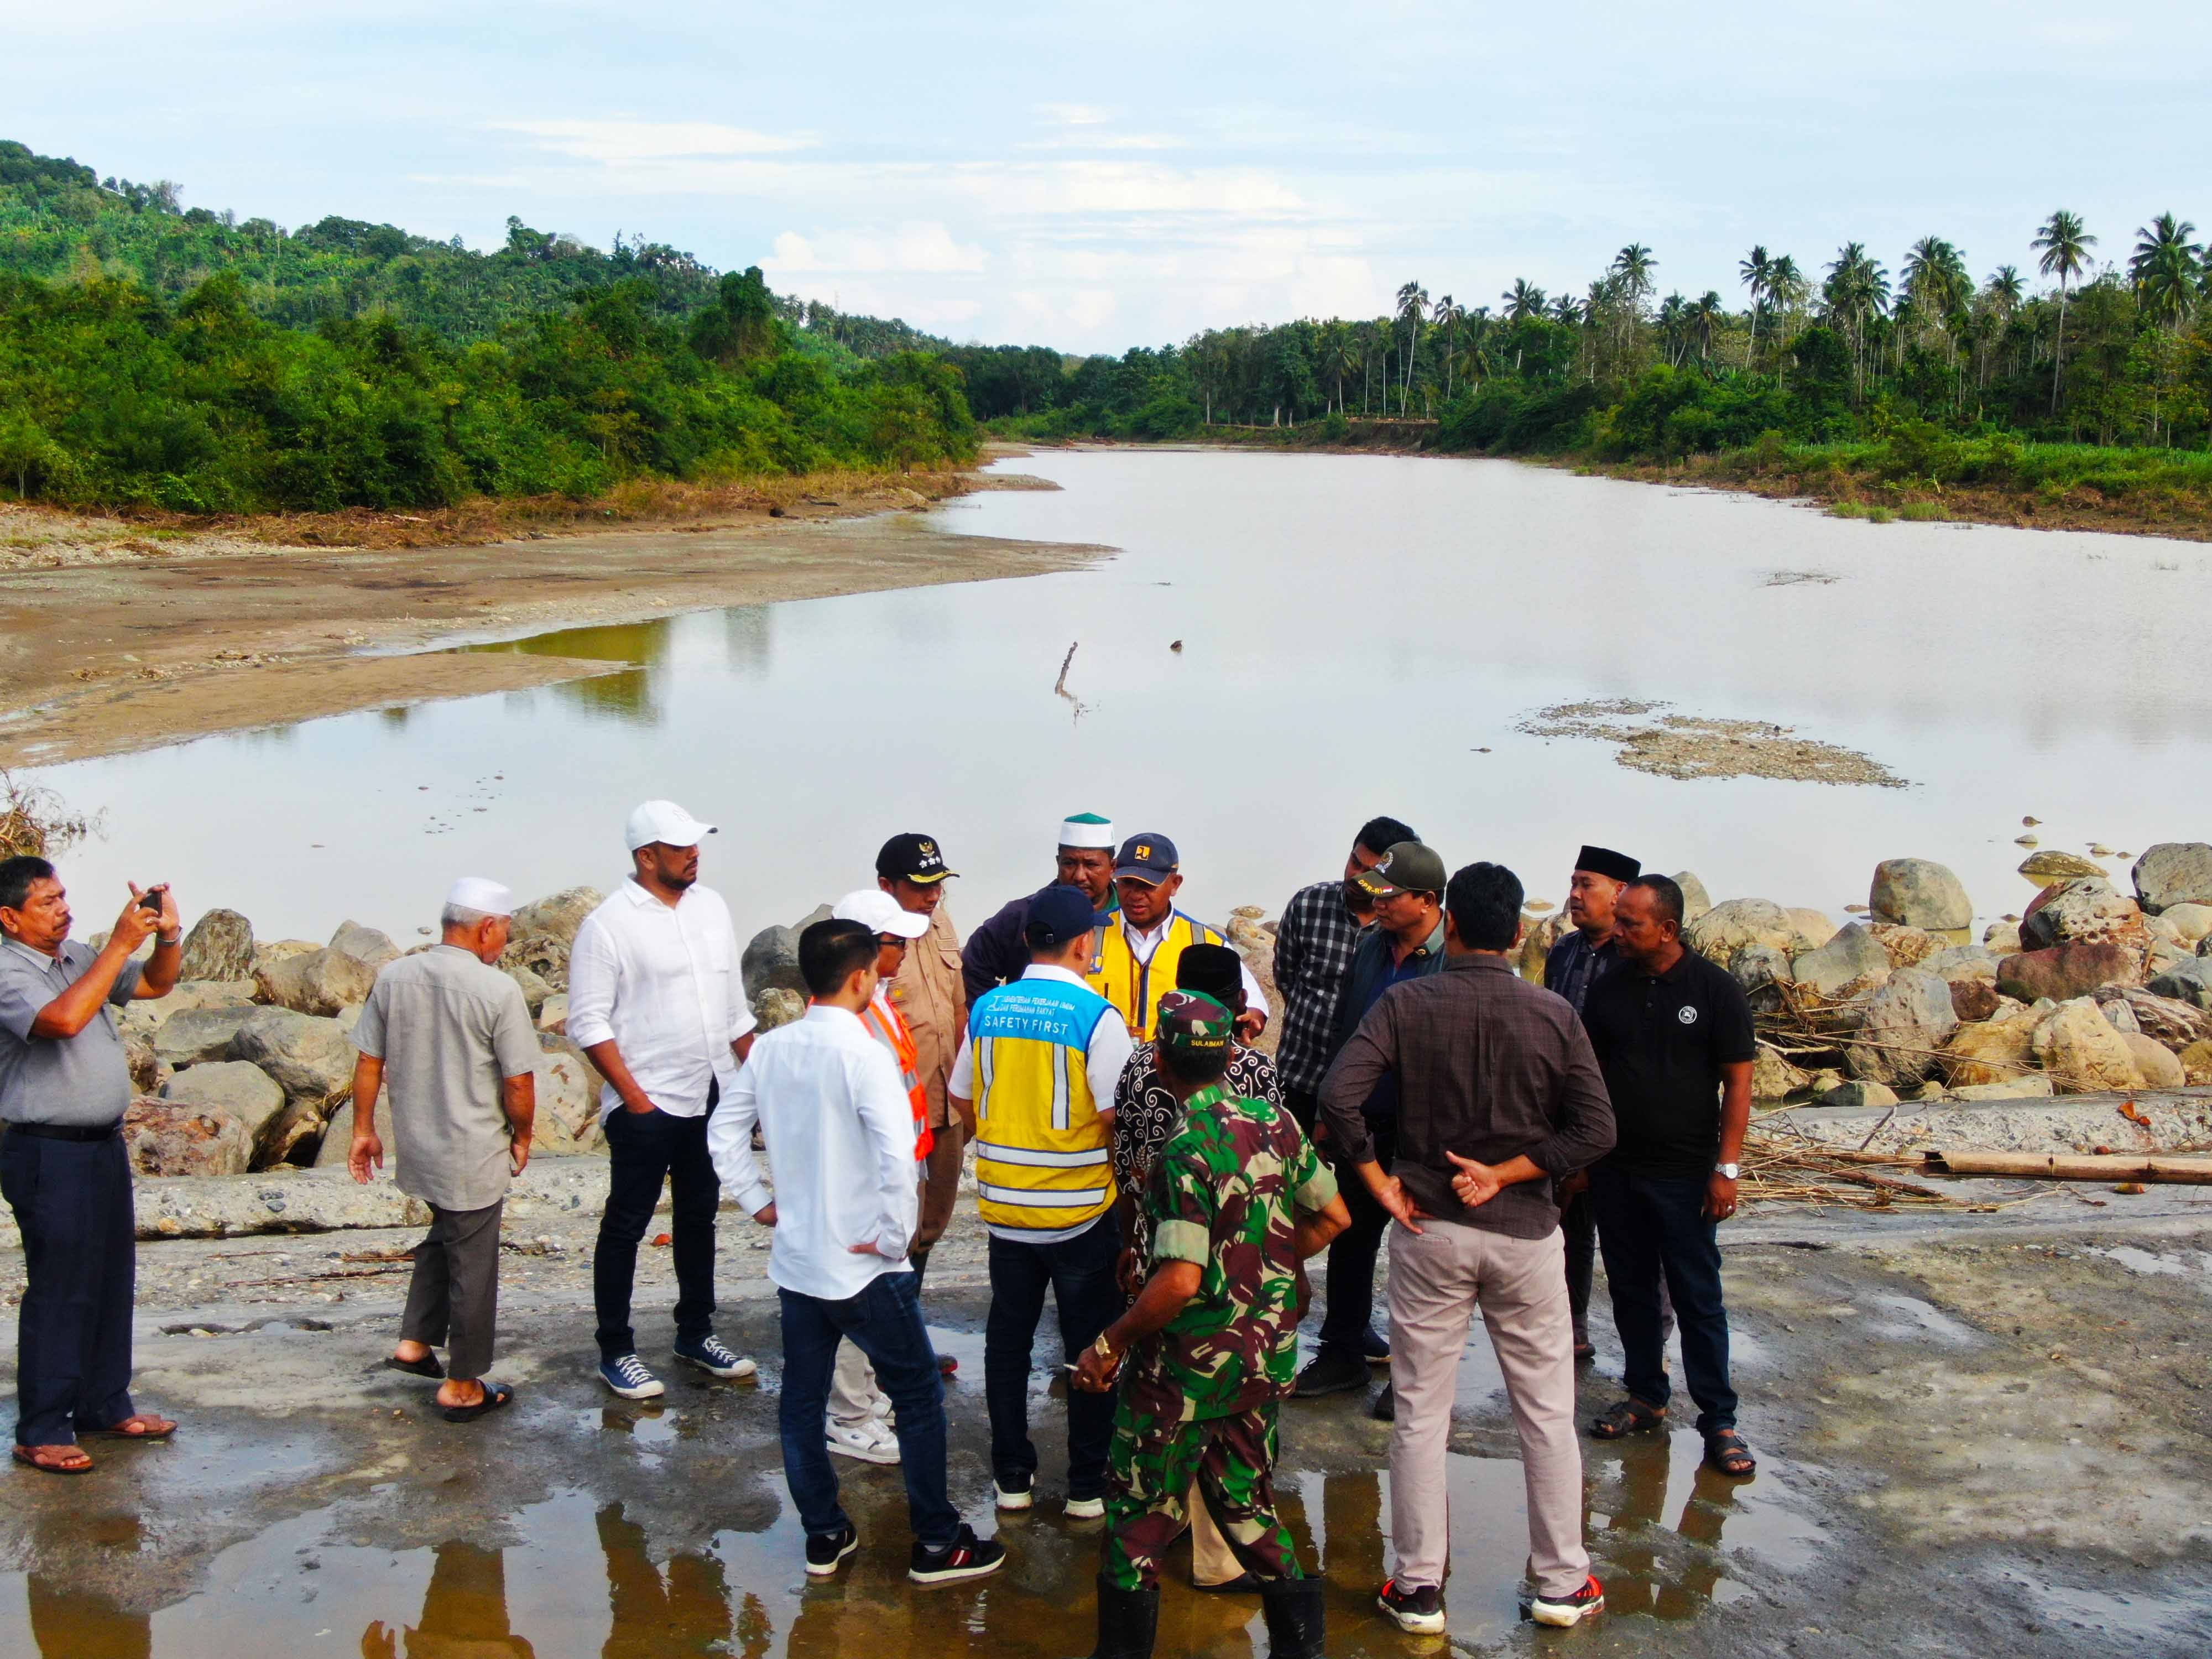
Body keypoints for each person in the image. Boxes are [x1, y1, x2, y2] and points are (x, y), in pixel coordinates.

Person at [1321, 860, 1618, 1635]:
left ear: (1450, 924)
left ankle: (1418, 1587)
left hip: (1430, 1229)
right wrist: (1511, 1170)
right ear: (1520, 934)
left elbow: (1337, 1095)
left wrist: (1378, 1181)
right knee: (1547, 1415)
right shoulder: (1554, 1015)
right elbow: (1596, 1130)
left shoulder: (1406, 1003)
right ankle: (1562, 1581)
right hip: (1524, 1235)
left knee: (1421, 1412)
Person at [707, 918, 1006, 1587]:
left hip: (800, 1261)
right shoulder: (863, 1052)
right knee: (919, 1394)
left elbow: (724, 1133)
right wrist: (896, 1238)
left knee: (801, 1402)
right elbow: (897, 1156)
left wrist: (759, 1201)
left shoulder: (772, 1050)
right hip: (864, 1262)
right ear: (860, 978)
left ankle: (825, 1533)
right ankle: (936, 1541)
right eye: (876, 972)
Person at [1073, 990, 1350, 1659]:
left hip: (1184, 1372)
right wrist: (1264, 1269)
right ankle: (1301, 1647)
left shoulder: (1183, 1149)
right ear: (1230, 1055)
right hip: (1262, 1357)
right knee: (1245, 1501)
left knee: (1137, 1515)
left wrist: (1109, 1341)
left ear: (1161, 1061)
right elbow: (1333, 1218)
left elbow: (1180, 1281)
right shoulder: (1277, 1123)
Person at [947, 883, 1133, 1519]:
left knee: (1008, 1344)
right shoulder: (1097, 1018)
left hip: (1005, 1211)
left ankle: (1011, 1480)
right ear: (1086, 943)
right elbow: (1118, 1117)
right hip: (1079, 1212)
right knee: (1092, 1345)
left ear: (1027, 941)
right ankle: (1086, 1484)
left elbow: (964, 1098)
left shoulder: (988, 1009)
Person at [1107, 942, 1282, 1595]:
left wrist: (1130, 1240)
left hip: (1161, 1256)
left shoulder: (1139, 1066)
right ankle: (1216, 1556)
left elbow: (1125, 1159)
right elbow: (1277, 1176)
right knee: (1227, 1407)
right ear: (1239, 1004)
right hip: (1239, 1264)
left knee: (1162, 1397)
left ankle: (1158, 1527)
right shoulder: (1258, 1075)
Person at [568, 800, 758, 1401]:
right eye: (681, 847)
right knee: (626, 1225)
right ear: (647, 857)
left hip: (712, 1091)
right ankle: (616, 1350)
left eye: (696, 843)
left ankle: (695, 1333)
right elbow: (588, 1022)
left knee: (699, 1218)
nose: (695, 853)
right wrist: (633, 1098)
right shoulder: (608, 926)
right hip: (647, 1100)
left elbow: (734, 1010)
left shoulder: (712, 908)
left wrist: (762, 1079)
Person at [0, 857, 182, 1473]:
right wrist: (120, 943)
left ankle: (105, 1404)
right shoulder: (6, 969)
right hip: (46, 1151)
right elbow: (63, 1019)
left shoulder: (78, 954)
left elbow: (156, 985)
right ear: (10, 917)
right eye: (47, 902)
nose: (64, 909)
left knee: (109, 1279)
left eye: (63, 896)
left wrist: (166, 937)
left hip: (101, 1145)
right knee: (61, 1287)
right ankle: (43, 1426)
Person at [1580, 875, 1758, 1479]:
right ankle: (1645, 1395)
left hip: (1686, 1176)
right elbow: (1590, 1077)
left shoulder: (1714, 991)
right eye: (1620, 920)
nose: (1620, 931)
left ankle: (1719, 1421)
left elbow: (1738, 1082)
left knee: (1697, 1297)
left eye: (1631, 923)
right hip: (1616, 1169)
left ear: (1668, 929)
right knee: (1629, 1290)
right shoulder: (1608, 990)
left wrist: (1725, 1169)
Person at [347, 877, 541, 1422]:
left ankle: (414, 1343)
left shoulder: (395, 976)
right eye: (503, 932)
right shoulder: (496, 989)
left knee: (446, 1233)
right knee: (473, 1263)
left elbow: (368, 1060)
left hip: (420, 1145)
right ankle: (462, 1385)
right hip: (471, 1147)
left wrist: (363, 1130)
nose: (502, 944)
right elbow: (520, 1080)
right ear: (485, 929)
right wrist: (523, 1136)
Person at [1293, 839, 1449, 1406]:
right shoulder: (1370, 947)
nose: (1377, 904)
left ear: (1427, 901)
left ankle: (1413, 1374)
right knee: (1350, 1238)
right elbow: (1347, 1027)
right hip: (1362, 1126)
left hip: (1425, 1135)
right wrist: (1330, 1115)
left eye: (1390, 896)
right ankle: (1342, 1354)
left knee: (1422, 1253)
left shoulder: (1450, 956)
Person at [817, 887, 933, 1467]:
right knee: (855, 1294)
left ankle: (864, 1394)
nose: (905, 952)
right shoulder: (852, 1021)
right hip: (868, 1182)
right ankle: (848, 1417)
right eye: (894, 943)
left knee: (878, 1289)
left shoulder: (880, 1000)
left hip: (899, 1167)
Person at [1543, 844, 1641, 1365]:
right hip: (1566, 1113)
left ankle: (1644, 1356)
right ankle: (1572, 1326)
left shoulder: (1634, 956)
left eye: (1588, 885)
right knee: (1570, 1228)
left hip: (1624, 1115)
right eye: (1574, 883)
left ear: (1621, 893)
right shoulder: (1564, 951)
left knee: (1627, 1237)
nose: (1575, 895)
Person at [1271, 816, 1416, 1133]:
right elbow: (1286, 976)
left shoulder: (1399, 929)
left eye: (1370, 872)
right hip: (1299, 1075)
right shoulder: (1308, 905)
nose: (1355, 875)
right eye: (1354, 861)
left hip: (1364, 1094)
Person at [874, 833, 968, 1304]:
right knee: (892, 1225)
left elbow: (958, 1010)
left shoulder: (940, 924)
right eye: (921, 886)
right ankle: (884, 1349)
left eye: (938, 885)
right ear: (886, 885)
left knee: (933, 1221)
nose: (933, 895)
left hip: (945, 1101)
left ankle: (906, 1328)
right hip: (895, 1111)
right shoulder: (867, 938)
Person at [1090, 833, 1267, 1042]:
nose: (1136, 894)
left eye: (1147, 885)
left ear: (1175, 884)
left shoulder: (1204, 941)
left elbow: (1253, 1002)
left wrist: (1251, 1018)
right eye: (1127, 883)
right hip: (1098, 1066)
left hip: (1173, 1069)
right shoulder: (1088, 934)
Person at [961, 812, 1117, 1003]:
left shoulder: (1132, 918)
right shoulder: (1023, 915)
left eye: (1091, 865)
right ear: (1058, 862)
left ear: (1113, 867)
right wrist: (1000, 1008)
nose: (1079, 876)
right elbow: (973, 965)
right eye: (1069, 863)